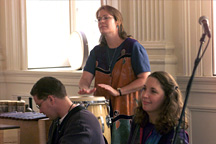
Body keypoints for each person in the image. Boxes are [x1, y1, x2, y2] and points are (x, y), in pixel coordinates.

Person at [78, 5, 151, 144]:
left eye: (106, 17)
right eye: (99, 19)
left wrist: (119, 91)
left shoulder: (133, 46)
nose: (101, 21)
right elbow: (85, 79)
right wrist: (85, 89)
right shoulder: (96, 52)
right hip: (102, 112)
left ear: (118, 22)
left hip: (129, 111)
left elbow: (145, 78)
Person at [30, 76, 105, 144]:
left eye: (39, 105)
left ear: (51, 99)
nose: (40, 111)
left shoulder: (80, 124)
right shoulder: (58, 120)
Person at [127, 71, 189, 144]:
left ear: (167, 98)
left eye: (153, 91)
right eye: (144, 88)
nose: (144, 95)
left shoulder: (176, 135)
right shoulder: (138, 122)